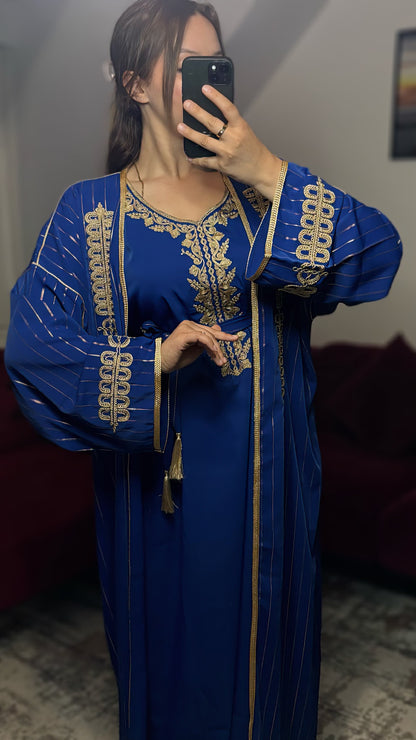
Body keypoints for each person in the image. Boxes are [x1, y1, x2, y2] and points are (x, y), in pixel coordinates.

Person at [5, 1, 402, 738]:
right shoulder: (89, 214)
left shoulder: (263, 199)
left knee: (268, 659)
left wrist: (268, 170)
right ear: (136, 83)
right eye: (187, 64)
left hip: (273, 481)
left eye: (216, 62)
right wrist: (152, 359)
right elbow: (32, 345)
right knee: (175, 657)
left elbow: (378, 253)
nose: (207, 78)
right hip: (160, 492)